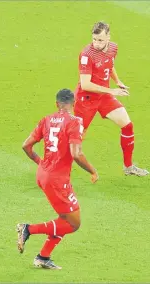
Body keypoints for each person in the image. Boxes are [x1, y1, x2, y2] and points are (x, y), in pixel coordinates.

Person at [17, 89, 98, 270]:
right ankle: (28, 229)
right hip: (57, 180)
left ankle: (43, 257)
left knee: (64, 218)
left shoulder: (46, 120)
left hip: (44, 174)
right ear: (74, 103)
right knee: (74, 223)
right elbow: (76, 154)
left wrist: (41, 163)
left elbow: (26, 146)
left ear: (57, 104)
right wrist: (92, 171)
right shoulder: (75, 121)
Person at [74, 21, 148, 176]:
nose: (96, 43)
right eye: (94, 39)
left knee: (127, 125)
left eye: (100, 40)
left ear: (108, 37)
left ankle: (128, 167)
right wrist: (112, 91)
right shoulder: (87, 55)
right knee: (76, 140)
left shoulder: (113, 48)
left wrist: (118, 80)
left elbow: (109, 64)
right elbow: (85, 84)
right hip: (86, 100)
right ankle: (53, 166)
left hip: (104, 97)